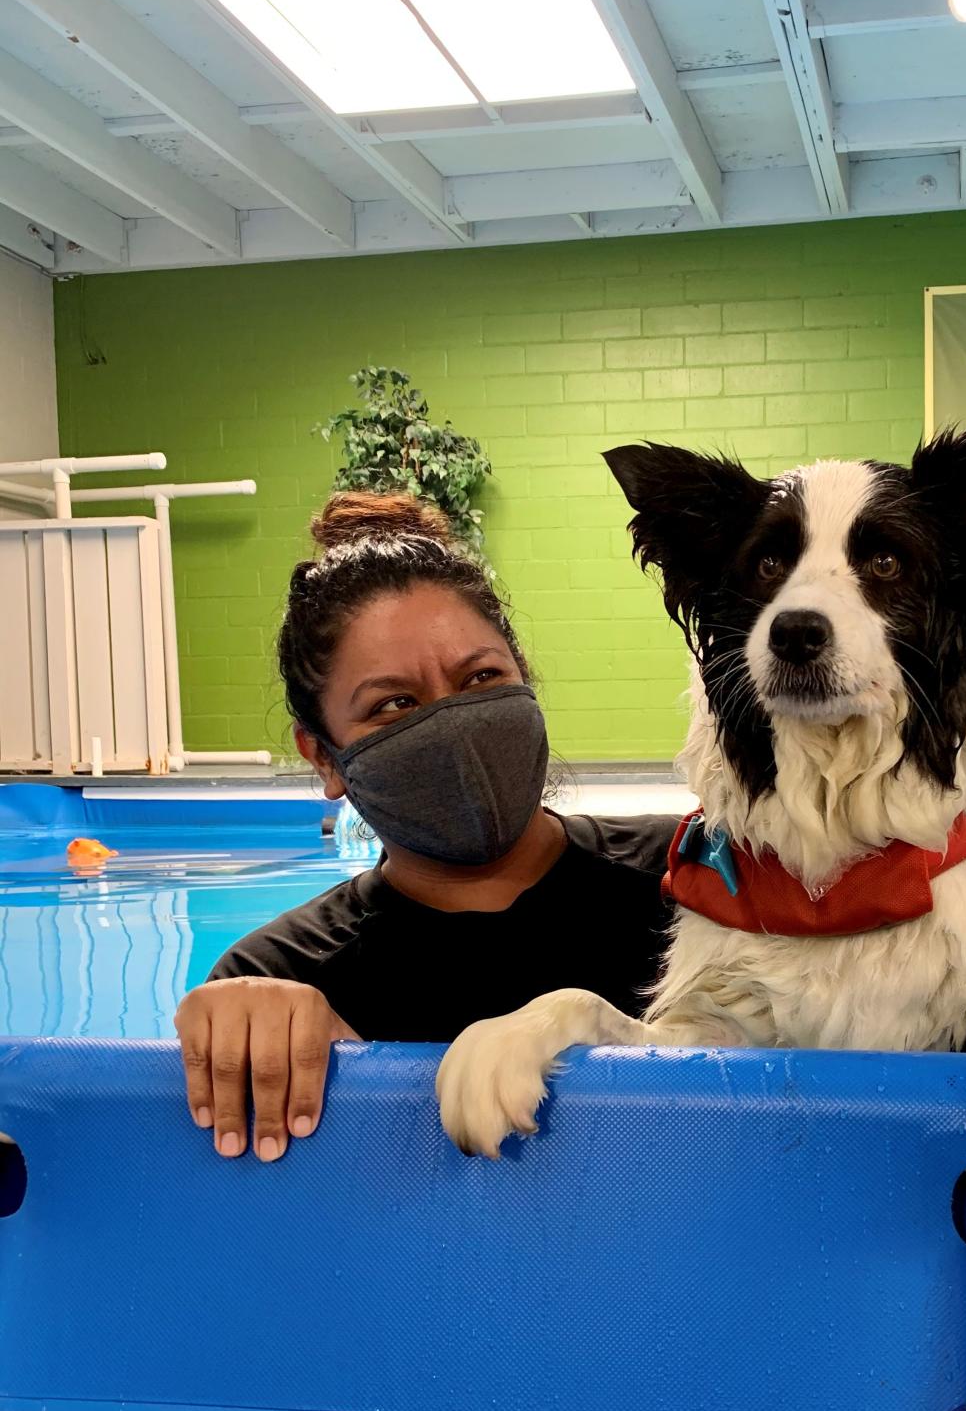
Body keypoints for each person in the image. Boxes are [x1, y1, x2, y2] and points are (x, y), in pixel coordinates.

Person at [175, 492, 675, 1162]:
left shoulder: (694, 877)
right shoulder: (289, 979)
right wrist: (252, 1033)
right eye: (396, 703)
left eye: (481, 678)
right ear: (324, 756)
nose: (456, 723)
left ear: (526, 681)